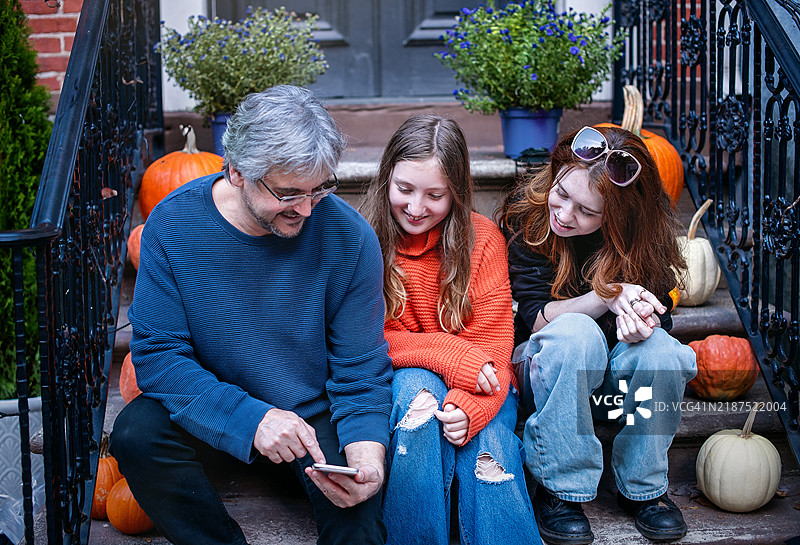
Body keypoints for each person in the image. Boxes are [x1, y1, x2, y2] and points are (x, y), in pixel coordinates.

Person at [111, 85, 393, 545]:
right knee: (136, 434)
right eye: (288, 193)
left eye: (319, 189)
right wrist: (252, 419)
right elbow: (159, 357)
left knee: (361, 526)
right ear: (238, 171)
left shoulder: (349, 237)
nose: (305, 209)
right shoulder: (173, 225)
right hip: (213, 413)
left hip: (312, 421)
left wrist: (367, 459)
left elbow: (361, 372)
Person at [500, 125, 697, 544]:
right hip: (546, 373)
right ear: (556, 171)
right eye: (563, 192)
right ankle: (560, 488)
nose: (565, 214)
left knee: (660, 352)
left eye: (587, 212)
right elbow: (535, 317)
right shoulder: (527, 218)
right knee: (576, 333)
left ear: (619, 217)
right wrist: (608, 296)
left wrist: (643, 320)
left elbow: (661, 319)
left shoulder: (644, 240)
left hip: (610, 391)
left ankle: (644, 487)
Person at [361, 114, 541, 545]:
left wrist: (468, 407)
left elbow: (495, 346)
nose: (417, 208)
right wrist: (447, 353)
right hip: (404, 378)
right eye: (404, 189)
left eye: (435, 195)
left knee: (491, 451)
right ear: (387, 177)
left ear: (456, 192)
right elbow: (367, 339)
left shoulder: (483, 240)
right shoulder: (364, 239)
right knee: (418, 403)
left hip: (486, 388)